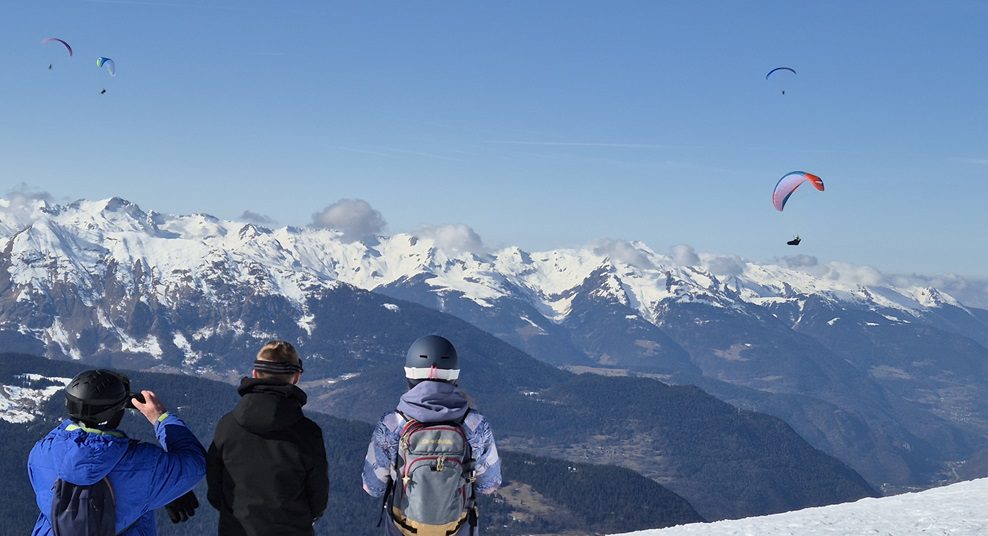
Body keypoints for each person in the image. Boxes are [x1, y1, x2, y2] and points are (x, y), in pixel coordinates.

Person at [27, 369, 206, 535]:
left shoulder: (41, 453)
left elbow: (66, 441)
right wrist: (162, 418)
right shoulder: (145, 465)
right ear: (115, 414)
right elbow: (195, 463)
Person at [362, 335, 502, 536]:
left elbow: (372, 486)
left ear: (410, 373)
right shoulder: (476, 425)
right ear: (454, 374)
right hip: (457, 528)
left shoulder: (392, 424)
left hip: (403, 529)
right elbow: (489, 484)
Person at [207, 340, 329, 536]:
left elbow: (215, 490)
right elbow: (318, 499)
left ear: (255, 373)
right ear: (296, 377)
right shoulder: (308, 433)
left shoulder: (227, 426)